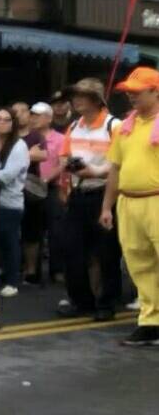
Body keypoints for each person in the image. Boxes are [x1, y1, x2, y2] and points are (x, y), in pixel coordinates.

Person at [100, 66, 159, 346]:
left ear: (155, 91)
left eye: (138, 92)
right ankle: (150, 322)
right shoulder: (125, 127)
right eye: (128, 93)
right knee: (139, 264)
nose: (131, 97)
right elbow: (115, 169)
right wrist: (106, 207)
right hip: (129, 202)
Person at [59, 78, 122, 321]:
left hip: (103, 192)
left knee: (106, 252)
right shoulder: (74, 125)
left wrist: (94, 171)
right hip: (78, 192)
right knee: (71, 249)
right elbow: (64, 155)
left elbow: (119, 163)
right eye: (75, 95)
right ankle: (81, 300)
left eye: (81, 95)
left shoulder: (113, 126)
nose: (75, 100)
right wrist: (69, 167)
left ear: (96, 100)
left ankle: (107, 303)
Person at [0, 108, 30, 298]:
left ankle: (11, 279)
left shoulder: (19, 145)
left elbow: (7, 175)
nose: (1, 123)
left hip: (10, 200)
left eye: (6, 120)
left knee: (9, 240)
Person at [23, 102, 60, 285]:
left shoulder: (60, 138)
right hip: (31, 188)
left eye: (38, 115)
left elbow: (63, 163)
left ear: (49, 118)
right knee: (33, 230)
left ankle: (56, 270)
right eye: (32, 115)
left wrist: (47, 179)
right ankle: (32, 272)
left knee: (55, 230)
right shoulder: (28, 137)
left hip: (51, 187)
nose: (34, 118)